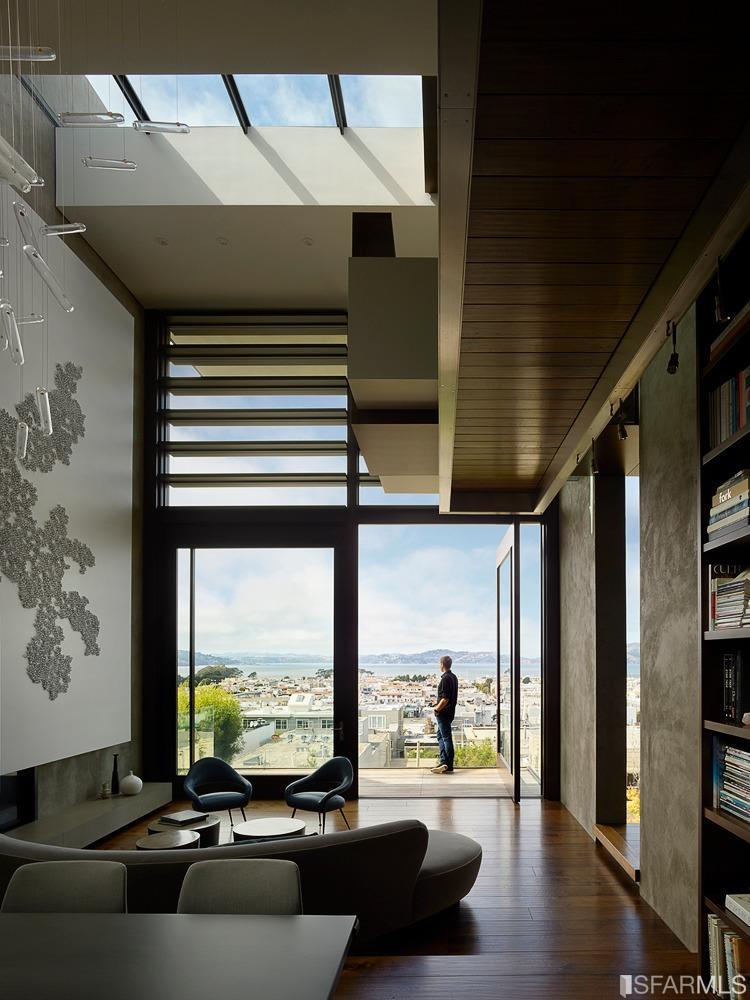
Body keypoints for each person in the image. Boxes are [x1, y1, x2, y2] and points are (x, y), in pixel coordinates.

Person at [431, 654, 458, 774]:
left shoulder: (445, 679)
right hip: (450, 712)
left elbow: (445, 699)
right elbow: (450, 697)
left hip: (443, 713)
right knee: (440, 736)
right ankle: (444, 761)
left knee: (446, 738)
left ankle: (448, 764)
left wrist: (437, 709)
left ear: (442, 665)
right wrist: (437, 703)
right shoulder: (454, 677)